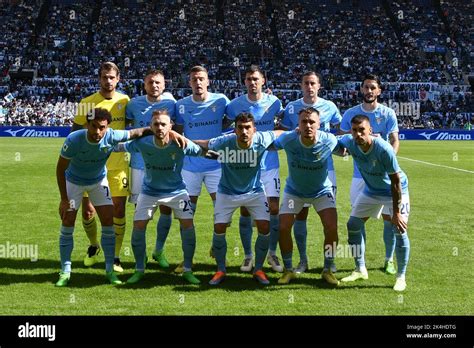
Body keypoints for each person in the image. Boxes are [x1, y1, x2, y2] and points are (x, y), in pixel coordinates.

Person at [55, 108, 153, 287]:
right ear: (87, 125)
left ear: (108, 127)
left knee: (109, 220)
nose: (98, 132)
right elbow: (60, 169)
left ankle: (109, 270)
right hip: (74, 183)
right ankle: (65, 270)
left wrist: (159, 128)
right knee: (68, 220)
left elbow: (136, 132)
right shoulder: (74, 139)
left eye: (102, 127)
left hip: (98, 182)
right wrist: (63, 199)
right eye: (94, 127)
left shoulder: (112, 136)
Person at [115, 109, 205, 285]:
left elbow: (206, 153)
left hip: (177, 191)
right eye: (156, 124)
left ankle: (187, 269)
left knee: (188, 225)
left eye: (164, 124)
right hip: (149, 191)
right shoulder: (143, 142)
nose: (160, 127)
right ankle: (140, 269)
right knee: (138, 227)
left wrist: (229, 155)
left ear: (171, 126)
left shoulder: (181, 143)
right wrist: (97, 144)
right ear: (150, 126)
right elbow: (118, 146)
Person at [194, 113, 283, 285]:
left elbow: (278, 133)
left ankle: (258, 269)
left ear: (254, 130)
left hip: (254, 192)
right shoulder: (224, 142)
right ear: (235, 130)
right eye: (240, 127)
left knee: (264, 226)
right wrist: (179, 139)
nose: (244, 131)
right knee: (219, 228)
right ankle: (220, 270)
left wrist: (295, 131)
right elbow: (204, 144)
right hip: (227, 192)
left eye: (248, 127)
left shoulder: (262, 138)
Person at [337, 115, 410, 291]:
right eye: (354, 130)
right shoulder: (349, 140)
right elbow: (333, 142)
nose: (358, 134)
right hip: (371, 190)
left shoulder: (384, 149)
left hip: (394, 191)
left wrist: (397, 212)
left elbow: (395, 182)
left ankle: (401, 277)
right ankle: (360, 269)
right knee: (353, 224)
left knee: (399, 229)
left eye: (362, 130)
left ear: (370, 130)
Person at [280, 71, 341, 274]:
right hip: (299, 170)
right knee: (300, 216)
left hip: (325, 170)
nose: (309, 86)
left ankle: (329, 265)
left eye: (313, 83)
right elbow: (282, 132)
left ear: (319, 85)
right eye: (306, 83)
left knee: (331, 223)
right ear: (301, 85)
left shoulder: (330, 107)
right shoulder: (291, 107)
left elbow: (340, 132)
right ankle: (302, 260)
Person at [71, 62, 130, 273]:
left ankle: (115, 256)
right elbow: (75, 134)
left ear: (118, 79)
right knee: (88, 212)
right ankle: (94, 245)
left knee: (118, 210)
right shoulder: (87, 103)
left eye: (112, 77)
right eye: (104, 77)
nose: (108, 81)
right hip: (90, 168)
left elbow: (132, 128)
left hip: (118, 166)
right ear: (99, 79)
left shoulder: (125, 101)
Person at [340, 73, 400, 275]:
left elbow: (394, 139)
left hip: (382, 177)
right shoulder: (350, 114)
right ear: (361, 90)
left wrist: (389, 160)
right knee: (357, 221)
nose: (369, 91)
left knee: (389, 219)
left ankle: (388, 259)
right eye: (366, 87)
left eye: (373, 87)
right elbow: (343, 141)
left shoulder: (388, 113)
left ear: (379, 91)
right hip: (360, 176)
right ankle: (360, 266)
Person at [172, 65, 230, 272]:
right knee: (187, 213)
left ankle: (216, 246)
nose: (198, 83)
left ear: (208, 81)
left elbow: (228, 123)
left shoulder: (221, 100)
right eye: (194, 79)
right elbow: (178, 134)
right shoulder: (181, 105)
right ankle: (187, 260)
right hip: (190, 167)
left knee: (222, 212)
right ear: (189, 83)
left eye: (201, 79)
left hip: (216, 164)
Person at [226, 65, 284, 273]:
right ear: (245, 82)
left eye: (256, 79)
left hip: (269, 164)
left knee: (274, 209)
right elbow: (228, 131)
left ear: (263, 81)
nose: (252, 82)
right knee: (245, 208)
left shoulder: (275, 103)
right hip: (246, 165)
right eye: (249, 79)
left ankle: (272, 253)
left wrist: (266, 139)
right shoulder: (234, 106)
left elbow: (284, 128)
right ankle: (248, 255)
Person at [273, 107, 339, 286]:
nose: (308, 125)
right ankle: (288, 269)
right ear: (298, 125)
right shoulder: (288, 139)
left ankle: (328, 269)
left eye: (312, 122)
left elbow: (347, 147)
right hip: (295, 192)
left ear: (319, 125)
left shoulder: (329, 140)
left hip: (321, 192)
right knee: (284, 226)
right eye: (304, 122)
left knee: (331, 227)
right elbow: (270, 144)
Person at [125, 69, 176, 270]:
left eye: (158, 83)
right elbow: (127, 125)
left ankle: (159, 250)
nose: (154, 86)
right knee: (141, 213)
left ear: (164, 85)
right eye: (150, 82)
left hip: (165, 164)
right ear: (144, 85)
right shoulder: (133, 104)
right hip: (139, 164)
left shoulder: (172, 105)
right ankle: (142, 255)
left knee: (166, 208)